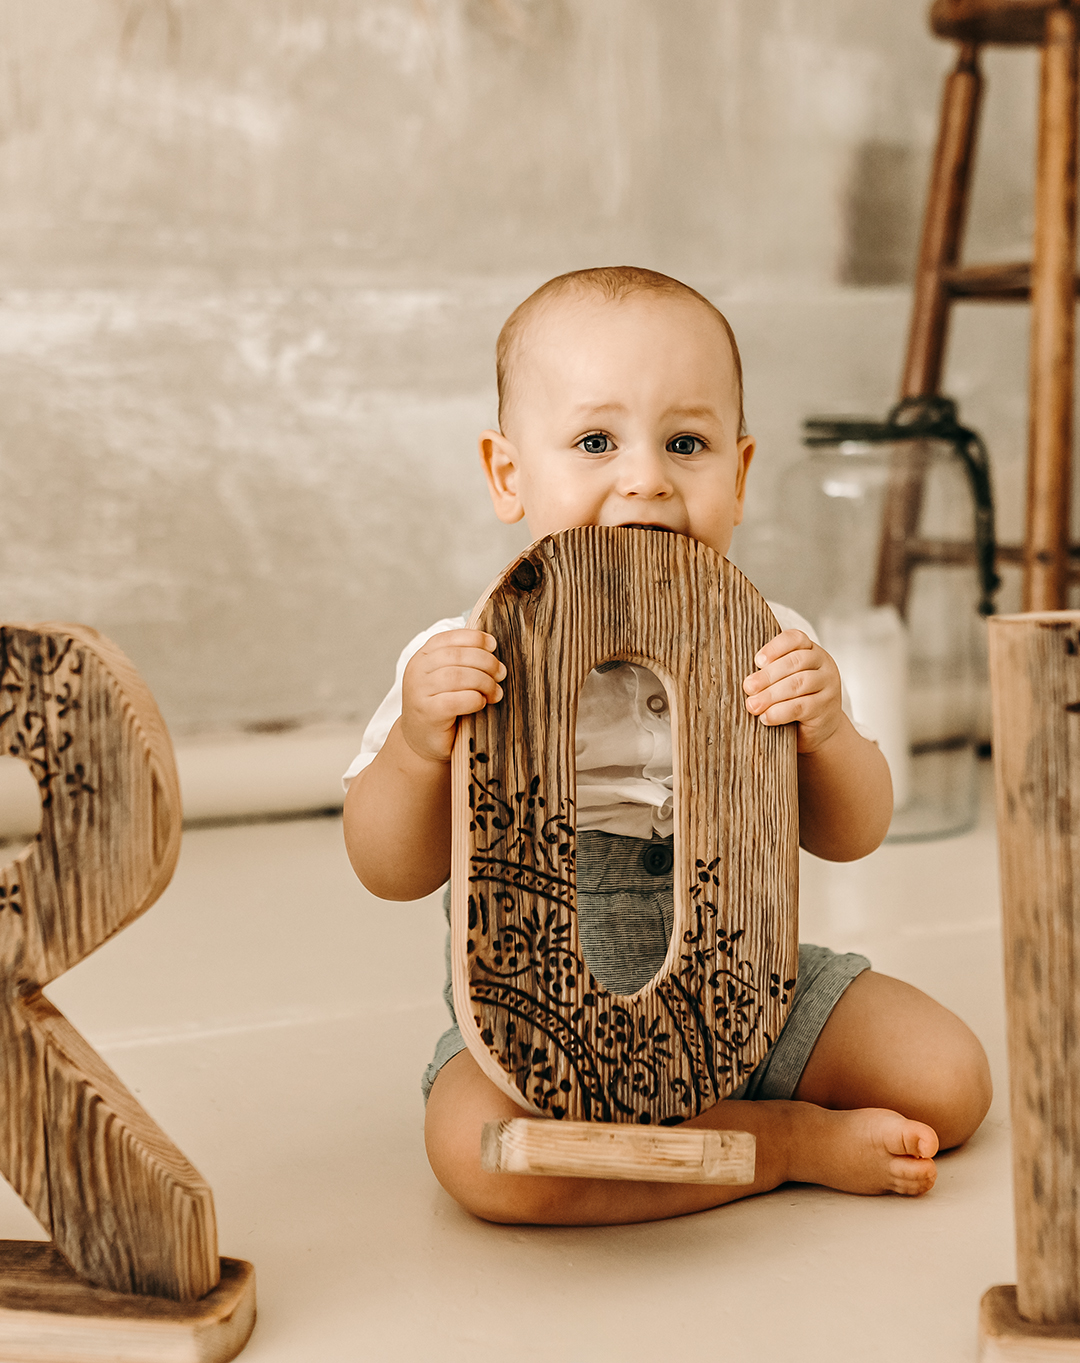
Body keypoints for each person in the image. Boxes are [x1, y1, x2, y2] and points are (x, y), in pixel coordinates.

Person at [341, 266, 991, 1225]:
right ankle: (775, 1144)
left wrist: (825, 733)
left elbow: (851, 833)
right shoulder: (468, 654)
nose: (646, 477)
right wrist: (415, 745)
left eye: (686, 443)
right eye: (595, 442)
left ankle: (713, 1122)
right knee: (484, 1157)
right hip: (538, 1028)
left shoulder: (768, 640)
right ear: (508, 474)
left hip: (745, 983)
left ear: (739, 472)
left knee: (949, 1078)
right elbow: (387, 869)